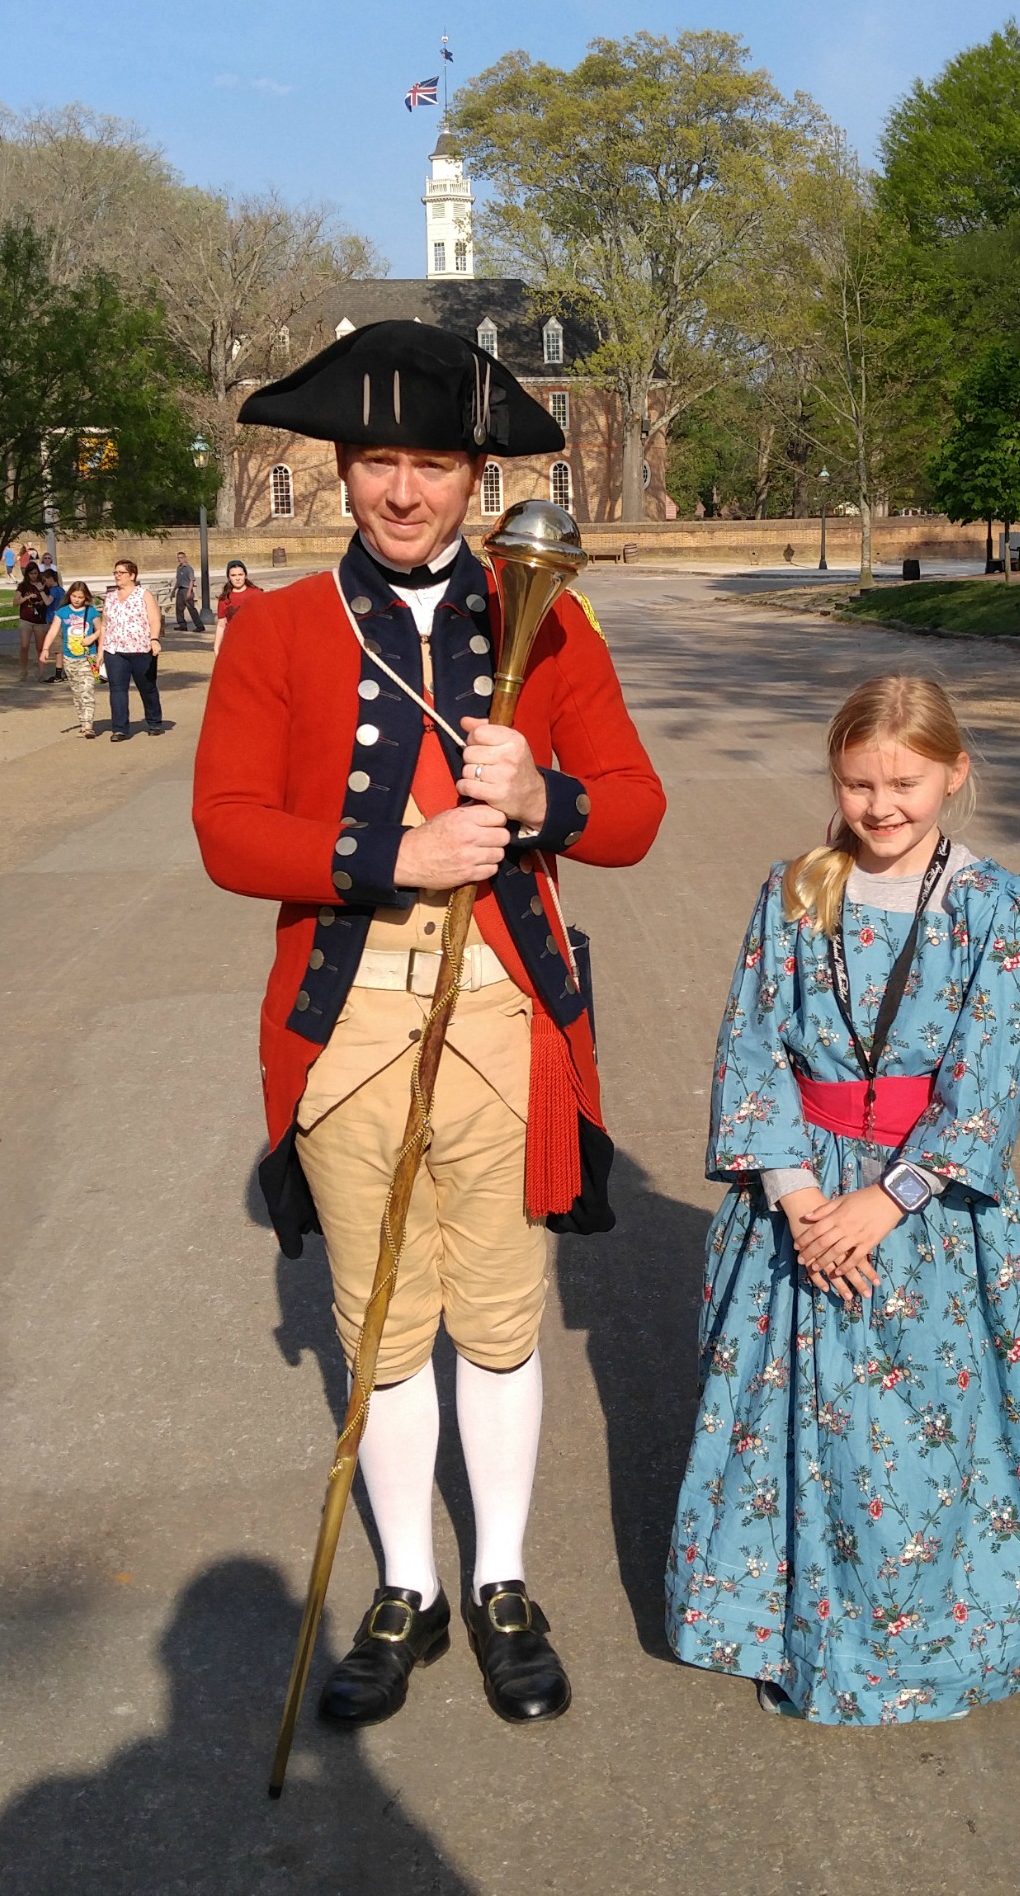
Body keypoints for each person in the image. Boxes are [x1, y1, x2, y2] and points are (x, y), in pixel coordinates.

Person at [193, 319, 666, 1733]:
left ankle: (504, 1578)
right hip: (348, 1024)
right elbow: (225, 830)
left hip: (504, 1017)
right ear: (343, 470)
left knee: (503, 1319)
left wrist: (541, 803)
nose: (404, 492)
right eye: (378, 461)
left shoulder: (549, 614)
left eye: (435, 464)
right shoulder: (277, 627)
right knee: (384, 1329)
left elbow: (635, 813)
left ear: (476, 478)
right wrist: (392, 856)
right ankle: (407, 1587)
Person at [665, 673, 1020, 1725]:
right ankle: (789, 1629)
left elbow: (987, 1080)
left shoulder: (1000, 906)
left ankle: (935, 1639)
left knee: (921, 1440)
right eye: (857, 783)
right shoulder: (794, 891)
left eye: (904, 782)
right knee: (788, 1426)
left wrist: (884, 1201)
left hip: (924, 1214)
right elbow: (751, 1045)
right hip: (800, 1199)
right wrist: (801, 1193)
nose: (880, 806)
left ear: (954, 773)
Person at [100, 557, 164, 741]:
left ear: (132, 575)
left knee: (147, 687)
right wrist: (101, 651)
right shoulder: (110, 597)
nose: (117, 576)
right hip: (114, 650)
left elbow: (154, 619)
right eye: (115, 573)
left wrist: (154, 639)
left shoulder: (144, 595)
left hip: (141, 649)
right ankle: (120, 728)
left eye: (121, 573)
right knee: (117, 689)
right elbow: (105, 625)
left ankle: (154, 722)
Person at [41, 580, 101, 737]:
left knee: (87, 689)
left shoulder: (91, 611)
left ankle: (89, 725)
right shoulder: (62, 612)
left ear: (85, 597)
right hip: (69, 657)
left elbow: (102, 630)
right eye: (74, 596)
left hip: (88, 656)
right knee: (77, 691)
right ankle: (82, 722)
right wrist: (45, 649)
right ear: (69, 595)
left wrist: (92, 637)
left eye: (80, 597)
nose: (76, 600)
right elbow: (53, 631)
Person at [15, 565, 49, 683]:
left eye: (35, 573)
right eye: (31, 574)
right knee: (24, 646)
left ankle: (41, 673)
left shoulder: (43, 585)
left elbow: (48, 600)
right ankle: (23, 670)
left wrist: (40, 593)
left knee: (40, 648)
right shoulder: (23, 586)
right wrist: (27, 597)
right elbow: (15, 601)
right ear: (27, 574)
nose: (34, 576)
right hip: (26, 619)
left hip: (40, 620)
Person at [212, 560, 252, 655]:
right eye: (233, 575)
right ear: (228, 577)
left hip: (252, 642)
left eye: (240, 574)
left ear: (245, 575)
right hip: (232, 643)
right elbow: (221, 625)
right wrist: (216, 647)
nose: (237, 578)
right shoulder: (224, 598)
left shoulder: (256, 594)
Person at [173, 549, 203, 632]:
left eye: (181, 557)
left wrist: (189, 591)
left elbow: (192, 580)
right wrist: (173, 590)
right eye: (178, 558)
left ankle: (199, 626)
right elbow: (178, 580)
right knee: (179, 608)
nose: (180, 559)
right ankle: (182, 624)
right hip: (180, 589)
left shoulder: (188, 568)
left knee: (191, 608)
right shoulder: (179, 568)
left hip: (186, 589)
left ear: (185, 558)